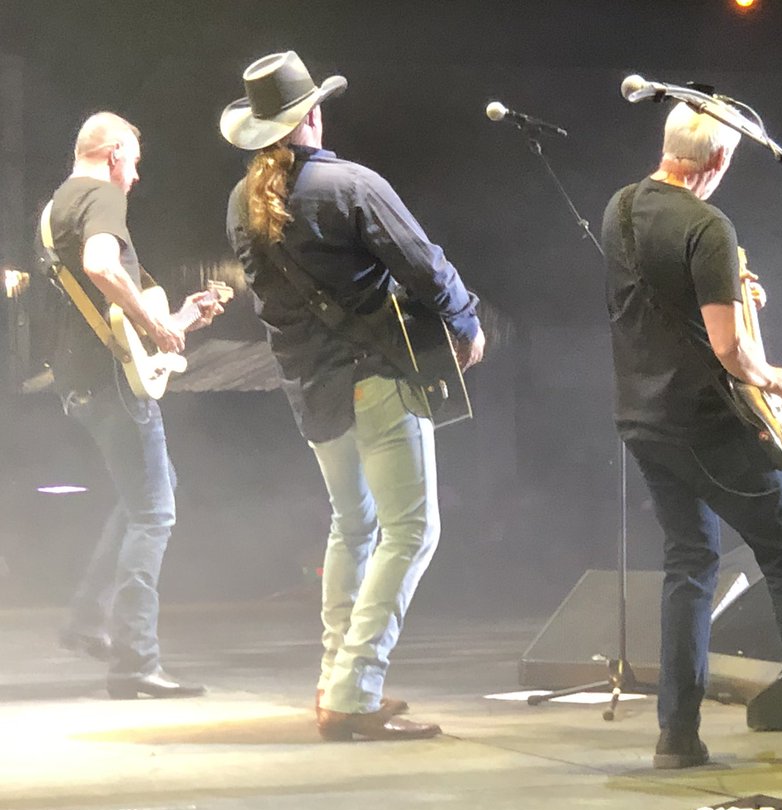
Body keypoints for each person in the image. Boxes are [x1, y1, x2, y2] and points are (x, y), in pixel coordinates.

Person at [600, 101, 782, 767]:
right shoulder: (709, 223)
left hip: (642, 418)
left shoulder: (619, 208)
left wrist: (730, 286)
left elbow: (660, 297)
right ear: (722, 159)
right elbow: (730, 351)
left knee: (689, 565)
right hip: (709, 421)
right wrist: (774, 376)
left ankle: (677, 736)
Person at [222, 52, 485, 741]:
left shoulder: (241, 202)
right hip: (376, 378)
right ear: (313, 113)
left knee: (353, 526)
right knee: (411, 531)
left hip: (310, 389)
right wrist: (466, 322)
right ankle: (353, 692)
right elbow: (423, 263)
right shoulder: (350, 184)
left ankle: (335, 678)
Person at [48, 111, 219, 698]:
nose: (137, 176)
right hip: (113, 385)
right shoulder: (100, 197)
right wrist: (157, 324)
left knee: (146, 492)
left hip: (82, 381)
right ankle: (135, 662)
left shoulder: (53, 211)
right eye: (136, 162)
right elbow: (101, 267)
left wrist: (177, 321)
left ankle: (86, 620)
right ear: (116, 152)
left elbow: (107, 315)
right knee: (155, 514)